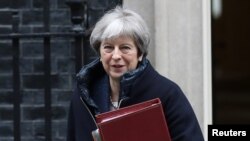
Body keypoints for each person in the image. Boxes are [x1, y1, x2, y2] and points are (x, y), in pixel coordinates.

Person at [67, 6, 204, 141]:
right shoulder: (83, 95)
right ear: (100, 52)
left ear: (140, 53)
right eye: (108, 47)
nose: (116, 55)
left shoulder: (167, 94)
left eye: (125, 48)